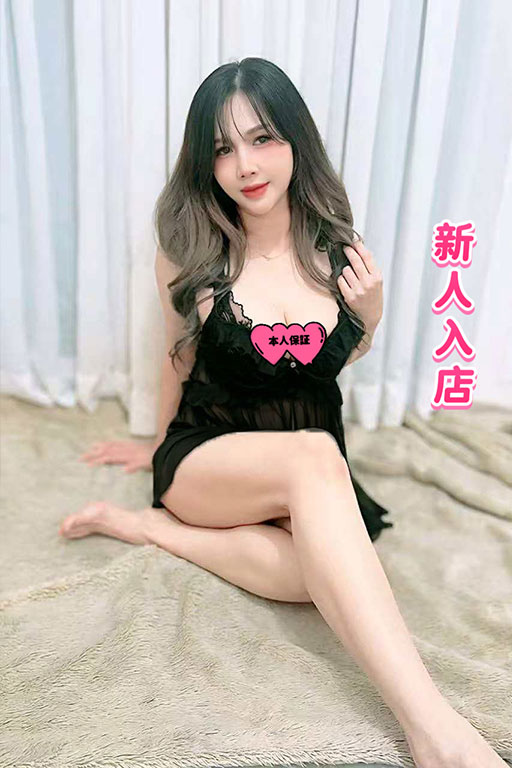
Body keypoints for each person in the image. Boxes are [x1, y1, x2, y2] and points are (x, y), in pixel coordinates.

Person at [60, 58, 506, 767]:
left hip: (301, 470)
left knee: (316, 575)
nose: (245, 165)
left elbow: (329, 364)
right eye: (222, 148)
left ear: (296, 139)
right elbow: (176, 355)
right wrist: (154, 441)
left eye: (262, 138)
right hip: (208, 458)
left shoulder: (339, 253)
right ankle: (434, 729)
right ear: (206, 163)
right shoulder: (191, 251)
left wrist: (370, 317)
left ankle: (152, 531)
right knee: (316, 462)